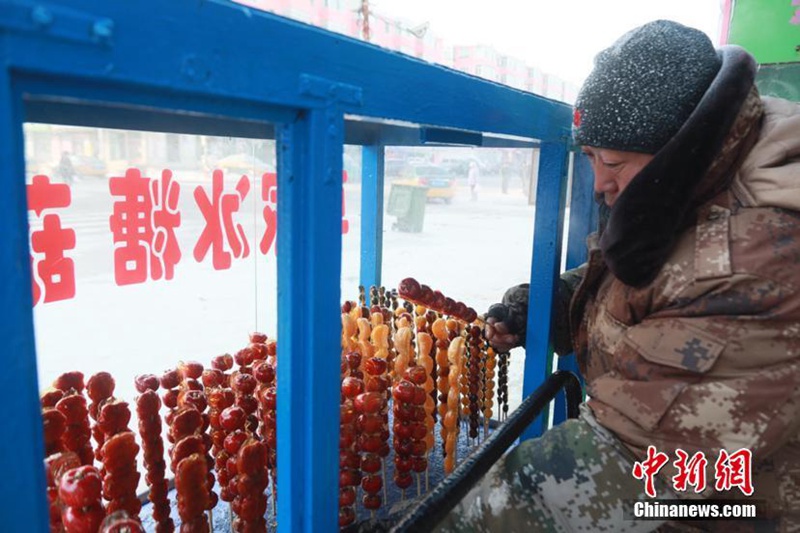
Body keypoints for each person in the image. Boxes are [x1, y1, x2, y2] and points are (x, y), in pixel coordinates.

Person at [436, 20, 800, 532]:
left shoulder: (759, 258)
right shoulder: (691, 186)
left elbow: (624, 462)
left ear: (677, 145)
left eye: (613, 161)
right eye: (589, 157)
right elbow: (649, 278)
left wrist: (437, 523)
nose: (599, 182)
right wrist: (551, 303)